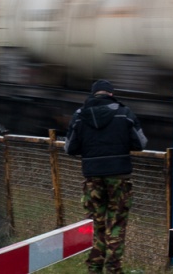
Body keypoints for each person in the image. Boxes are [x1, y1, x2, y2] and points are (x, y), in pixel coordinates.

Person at [64, 79, 147, 274]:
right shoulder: (124, 113)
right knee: (116, 223)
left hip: (93, 178)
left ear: (93, 94)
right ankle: (113, 269)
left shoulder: (79, 115)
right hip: (119, 177)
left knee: (95, 223)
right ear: (111, 93)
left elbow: (70, 148)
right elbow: (141, 142)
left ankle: (94, 268)